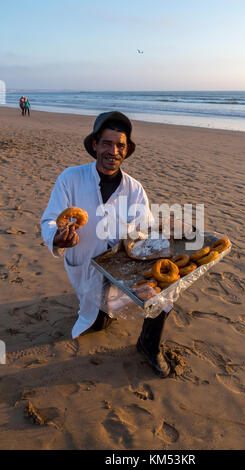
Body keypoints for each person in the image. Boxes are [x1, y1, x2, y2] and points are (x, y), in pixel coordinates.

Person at [41, 111, 171, 377]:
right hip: (86, 266)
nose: (113, 151)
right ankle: (97, 311)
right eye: (107, 143)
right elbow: (50, 220)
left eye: (120, 145)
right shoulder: (71, 178)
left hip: (124, 268)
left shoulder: (134, 189)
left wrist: (148, 242)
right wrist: (58, 236)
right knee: (96, 325)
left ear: (126, 150)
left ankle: (148, 345)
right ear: (95, 145)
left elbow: (144, 232)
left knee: (165, 289)